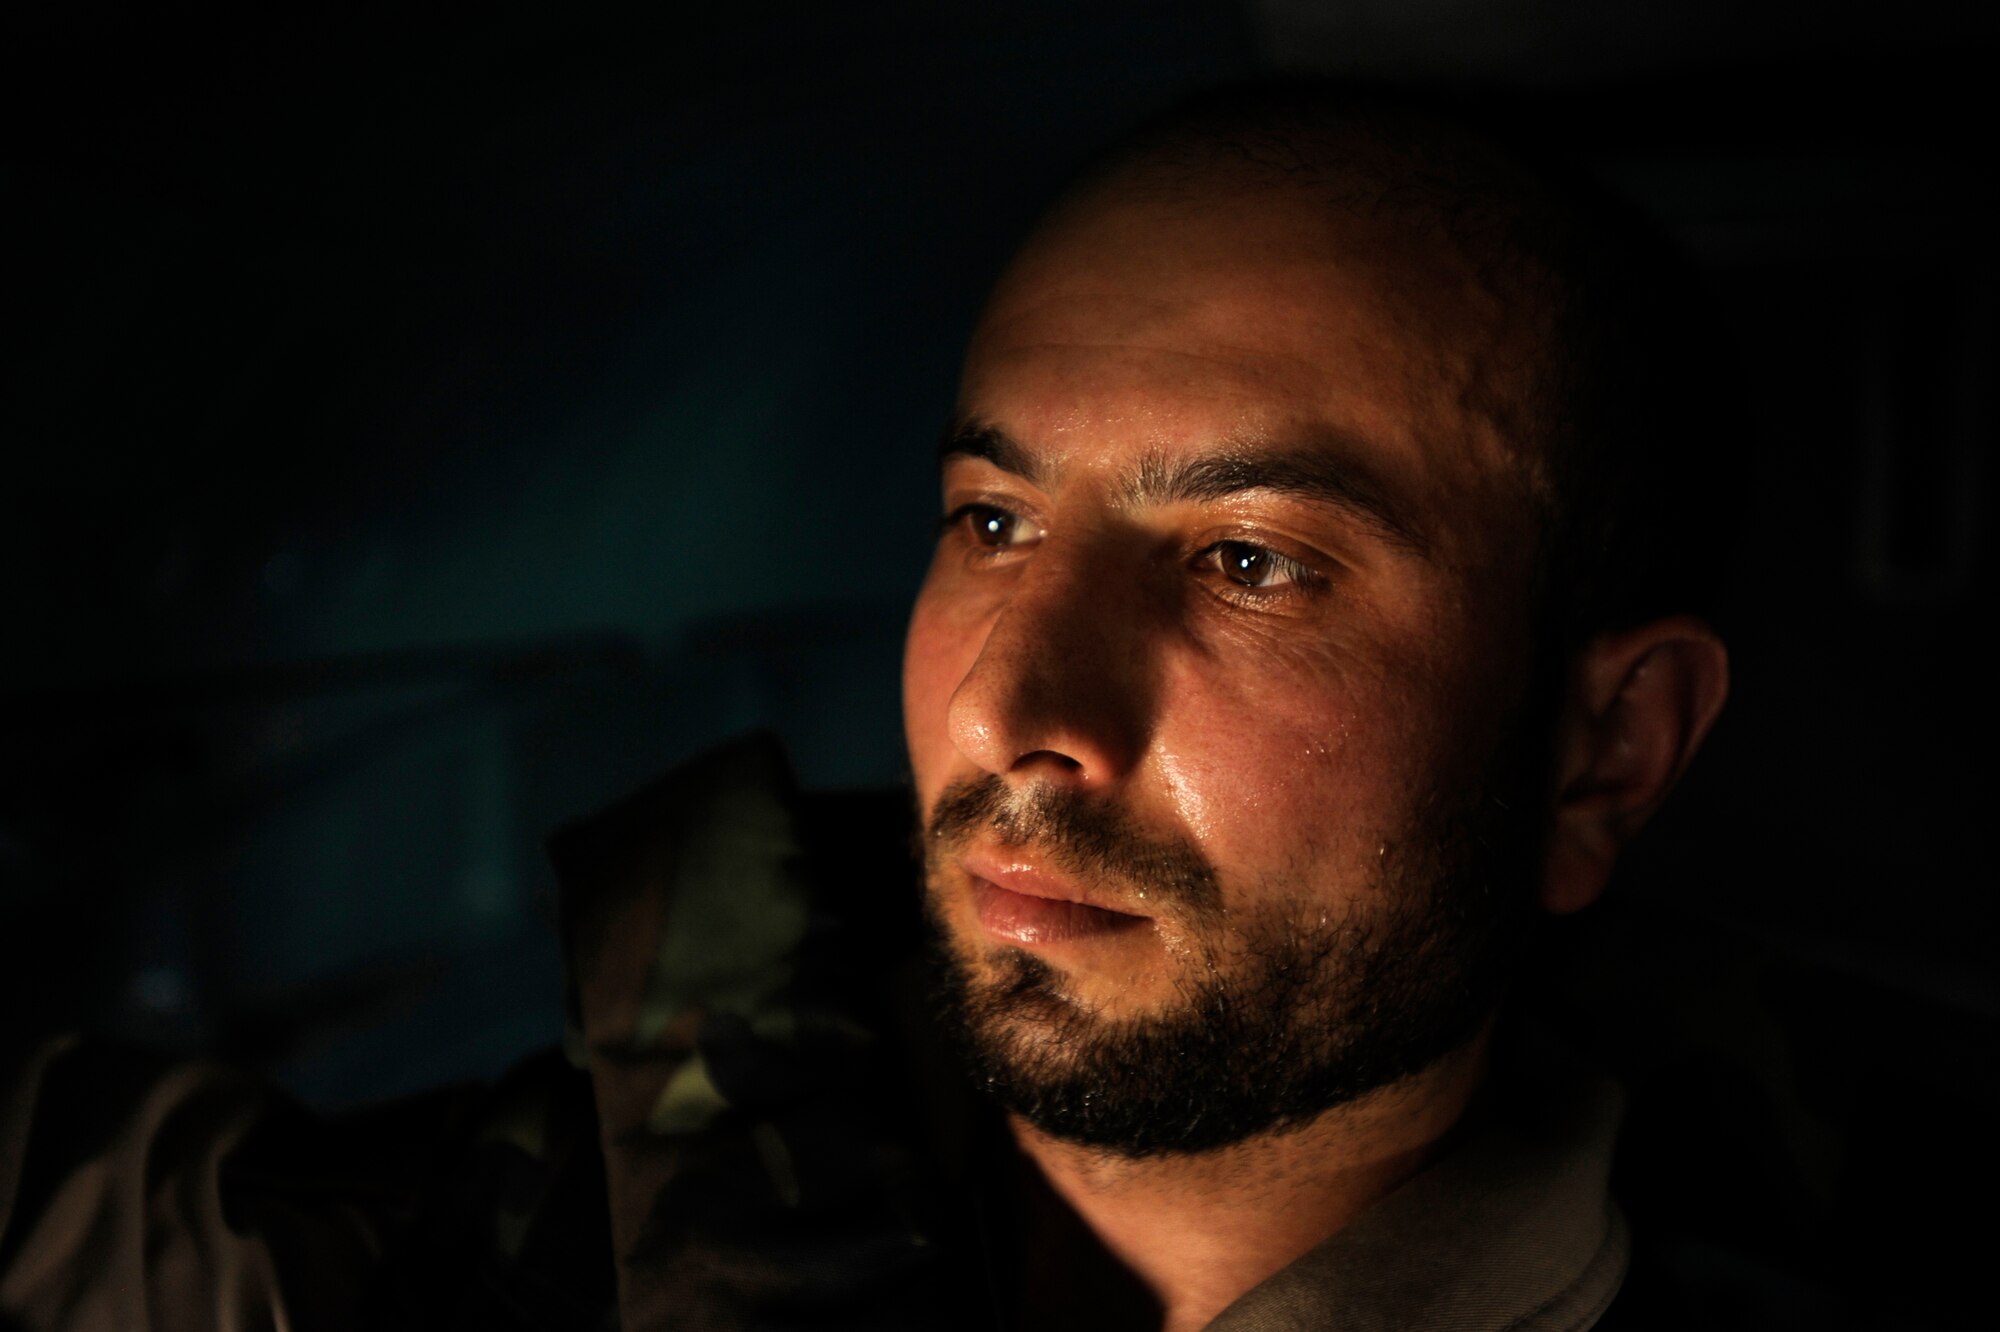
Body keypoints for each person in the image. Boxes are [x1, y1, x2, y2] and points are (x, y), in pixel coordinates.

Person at [1, 82, 1738, 1330]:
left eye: (1248, 562)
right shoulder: (570, 1206)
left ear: (1605, 754)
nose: (1015, 711)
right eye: (992, 523)